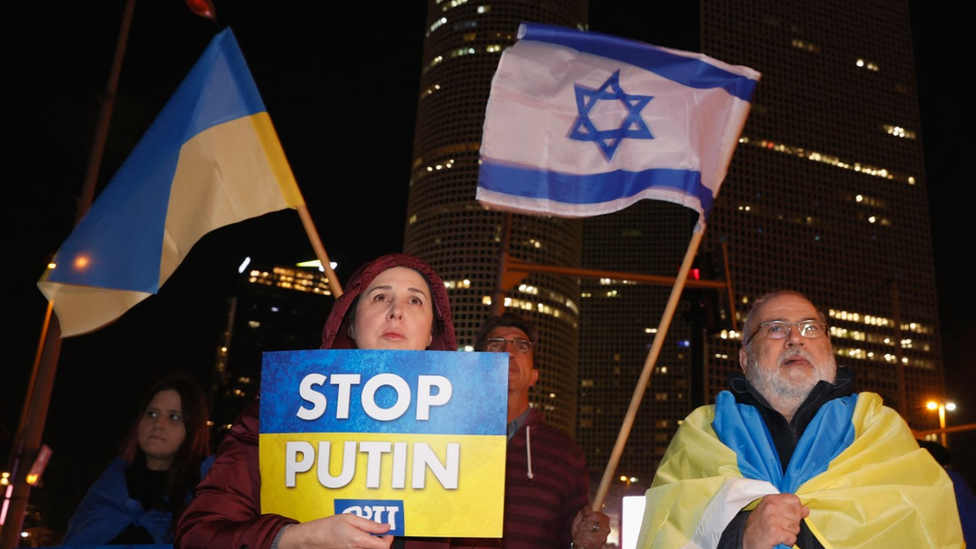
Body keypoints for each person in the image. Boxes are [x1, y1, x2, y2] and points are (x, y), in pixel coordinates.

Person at [636, 290, 964, 549]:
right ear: (745, 358)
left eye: (810, 328)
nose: (796, 338)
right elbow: (667, 529)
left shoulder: (877, 426)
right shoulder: (704, 430)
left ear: (830, 349)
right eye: (775, 329)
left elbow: (925, 527)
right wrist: (740, 536)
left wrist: (803, 531)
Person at [177, 253, 457, 549]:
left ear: (431, 333)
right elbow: (198, 535)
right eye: (379, 297)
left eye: (415, 301)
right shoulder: (278, 412)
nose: (396, 312)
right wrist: (298, 538)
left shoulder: (466, 428)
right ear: (349, 323)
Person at [472, 313, 610, 549]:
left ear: (534, 376)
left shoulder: (566, 454)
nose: (508, 352)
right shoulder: (445, 439)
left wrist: (584, 538)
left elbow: (574, 541)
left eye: (521, 346)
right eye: (496, 344)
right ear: (475, 368)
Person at [62, 373, 211, 545]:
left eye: (174, 417)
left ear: (192, 429)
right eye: (152, 414)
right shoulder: (108, 489)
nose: (158, 424)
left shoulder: (204, 496)